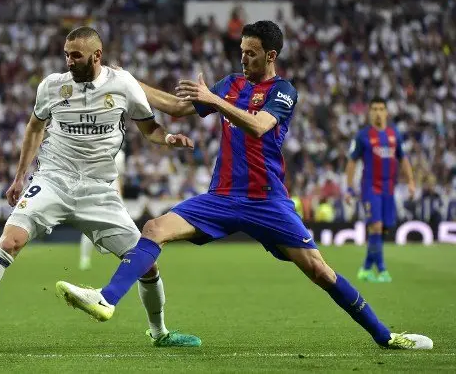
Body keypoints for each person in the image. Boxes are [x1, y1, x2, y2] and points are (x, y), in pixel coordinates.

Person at [56, 21, 432, 350]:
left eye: (251, 54)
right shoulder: (230, 84)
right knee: (154, 229)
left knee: (320, 271)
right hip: (221, 197)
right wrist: (126, 80)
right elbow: (175, 106)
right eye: (241, 52)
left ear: (270, 56)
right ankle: (106, 299)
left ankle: (386, 337)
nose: (243, 60)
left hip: (267, 201)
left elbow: (260, 125)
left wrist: (215, 101)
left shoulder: (283, 91)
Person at [0, 26, 200, 351]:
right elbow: (34, 129)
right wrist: (20, 177)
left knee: (145, 261)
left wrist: (168, 139)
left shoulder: (123, 84)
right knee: (10, 241)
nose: (69, 60)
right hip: (53, 181)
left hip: (98, 190)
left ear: (96, 55)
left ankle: (159, 333)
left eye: (76, 55)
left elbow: (150, 128)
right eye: (66, 54)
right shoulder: (52, 86)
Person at [346, 97, 415, 283]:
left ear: (386, 112)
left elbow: (404, 159)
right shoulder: (362, 136)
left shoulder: (395, 134)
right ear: (369, 112)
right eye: (374, 108)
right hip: (370, 188)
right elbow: (352, 162)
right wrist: (349, 187)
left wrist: (411, 182)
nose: (377, 112)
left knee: (382, 230)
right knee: (375, 226)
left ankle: (366, 268)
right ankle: (382, 270)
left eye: (381, 109)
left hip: (389, 189)